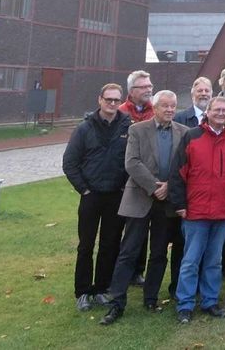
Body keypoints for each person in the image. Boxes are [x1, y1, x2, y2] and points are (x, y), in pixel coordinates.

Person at [100, 90, 187, 325]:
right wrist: (153, 186)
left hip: (166, 204)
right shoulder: (137, 129)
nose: (170, 110)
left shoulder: (184, 132)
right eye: (165, 106)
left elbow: (185, 165)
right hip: (140, 198)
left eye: (173, 106)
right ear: (155, 107)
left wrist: (169, 186)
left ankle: (150, 298)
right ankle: (117, 301)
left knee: (159, 253)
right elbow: (132, 162)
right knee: (128, 251)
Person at [168, 96, 225, 324]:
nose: (221, 113)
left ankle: (210, 301)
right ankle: (185, 303)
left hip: (223, 211)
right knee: (191, 260)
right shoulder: (191, 136)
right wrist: (180, 205)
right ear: (208, 111)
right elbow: (177, 173)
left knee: (214, 260)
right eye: (217, 110)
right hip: (196, 211)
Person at [62, 84, 131, 311]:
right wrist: (84, 189)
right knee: (86, 245)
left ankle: (102, 288)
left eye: (116, 100)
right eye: (108, 99)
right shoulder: (84, 129)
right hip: (91, 195)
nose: (112, 104)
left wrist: (123, 187)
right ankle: (82, 291)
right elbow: (70, 162)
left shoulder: (127, 126)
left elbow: (132, 160)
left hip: (115, 195)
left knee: (110, 245)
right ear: (99, 100)